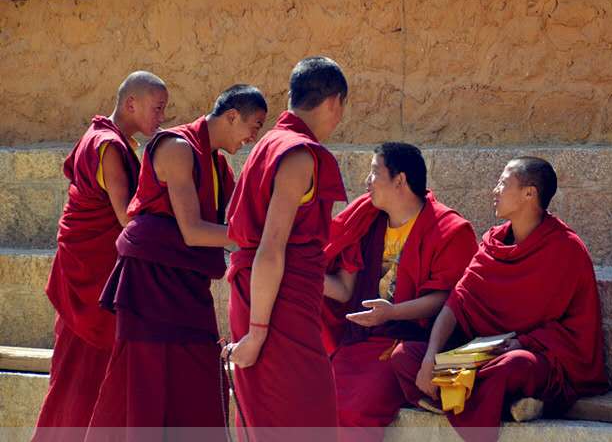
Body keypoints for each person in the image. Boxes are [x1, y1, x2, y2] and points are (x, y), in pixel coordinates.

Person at [86, 84, 267, 436]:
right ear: (232, 116)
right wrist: (263, 240)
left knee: (199, 378)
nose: (253, 137)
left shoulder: (217, 165)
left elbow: (234, 221)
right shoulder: (178, 148)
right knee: (145, 385)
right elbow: (194, 232)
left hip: (185, 285)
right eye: (254, 126)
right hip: (149, 284)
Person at [391, 157, 608, 441]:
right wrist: (431, 355)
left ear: (529, 193)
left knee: (512, 367)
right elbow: (457, 302)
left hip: (531, 357)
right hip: (480, 355)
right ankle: (505, 405)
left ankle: (456, 402)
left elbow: (572, 331)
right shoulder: (492, 243)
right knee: (405, 357)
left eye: (503, 183)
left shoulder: (566, 249)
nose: (494, 190)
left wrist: (520, 343)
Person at [33, 71, 167, 440]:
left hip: (91, 272)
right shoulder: (108, 146)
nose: (161, 118)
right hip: (92, 283)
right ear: (131, 103)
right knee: (83, 376)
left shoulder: (109, 140)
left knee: (81, 376)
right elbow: (126, 217)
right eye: (157, 108)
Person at [222, 57, 348, 436]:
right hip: (274, 308)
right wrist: (257, 333)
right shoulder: (297, 155)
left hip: (260, 298)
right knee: (307, 419)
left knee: (269, 418)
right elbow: (272, 248)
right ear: (333, 103)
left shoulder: (268, 145)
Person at [322, 142, 477, 434]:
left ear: (400, 180)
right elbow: (343, 289)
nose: (367, 181)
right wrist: (297, 272)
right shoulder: (366, 220)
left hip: (410, 342)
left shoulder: (449, 228)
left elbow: (449, 298)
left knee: (356, 409)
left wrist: (392, 313)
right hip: (362, 340)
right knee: (318, 402)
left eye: (374, 172)